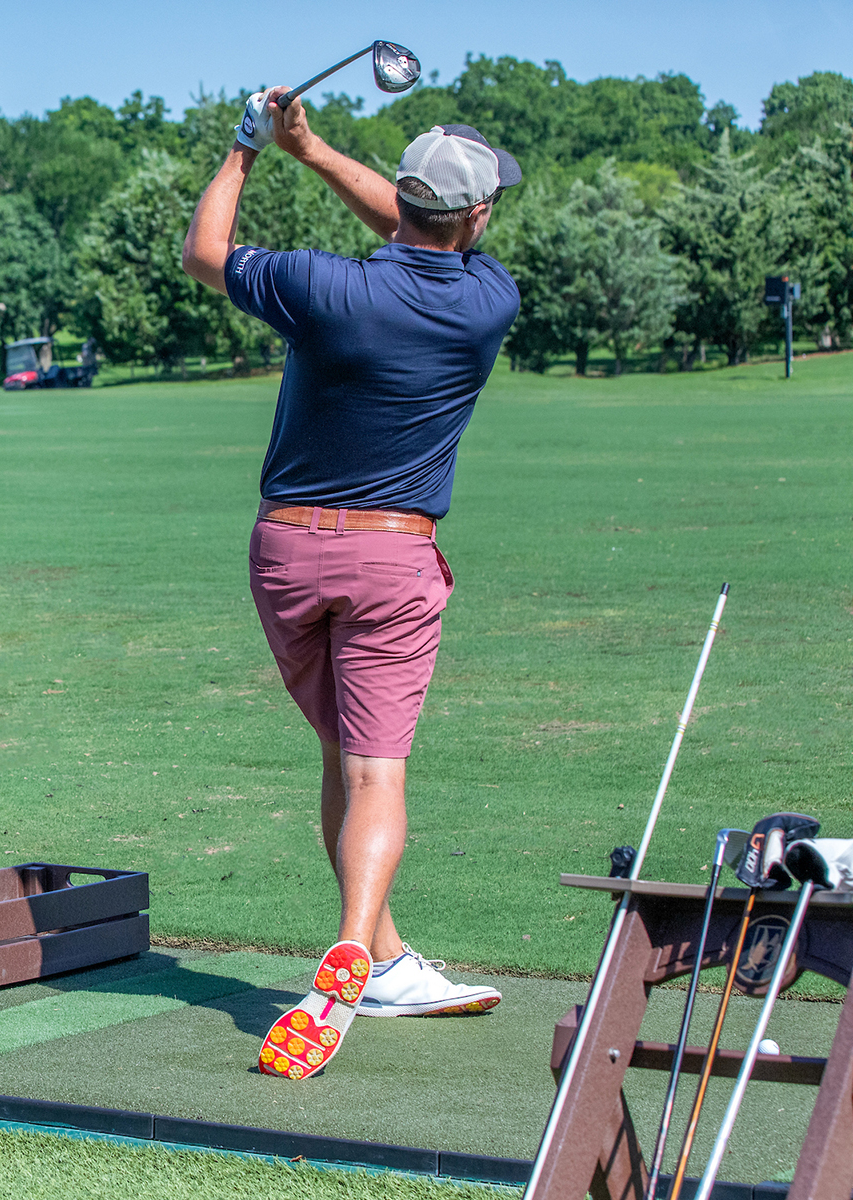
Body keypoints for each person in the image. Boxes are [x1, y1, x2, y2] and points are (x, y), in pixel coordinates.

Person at [180, 89, 521, 1080]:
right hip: (391, 561)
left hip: (285, 555)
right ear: (477, 215)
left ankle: (386, 957)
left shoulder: (318, 285)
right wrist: (316, 151)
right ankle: (351, 956)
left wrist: (252, 150)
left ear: (406, 198)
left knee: (340, 750)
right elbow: (416, 232)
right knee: (377, 773)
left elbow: (205, 253)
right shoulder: (488, 299)